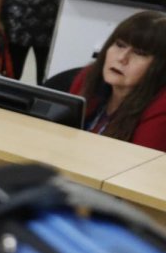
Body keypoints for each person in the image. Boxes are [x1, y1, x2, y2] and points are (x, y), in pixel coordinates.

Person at [69, 11, 166, 152]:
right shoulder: (90, 76)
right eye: (120, 45)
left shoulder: (161, 108)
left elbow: (138, 167)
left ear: (161, 67)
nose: (122, 58)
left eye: (139, 53)